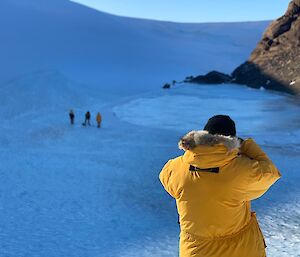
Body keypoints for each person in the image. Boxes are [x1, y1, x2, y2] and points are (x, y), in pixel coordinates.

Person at [159, 115, 281, 257]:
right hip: (239, 250)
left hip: (195, 250)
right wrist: (246, 145)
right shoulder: (241, 171)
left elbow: (165, 178)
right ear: (232, 141)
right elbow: (271, 173)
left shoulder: (175, 168)